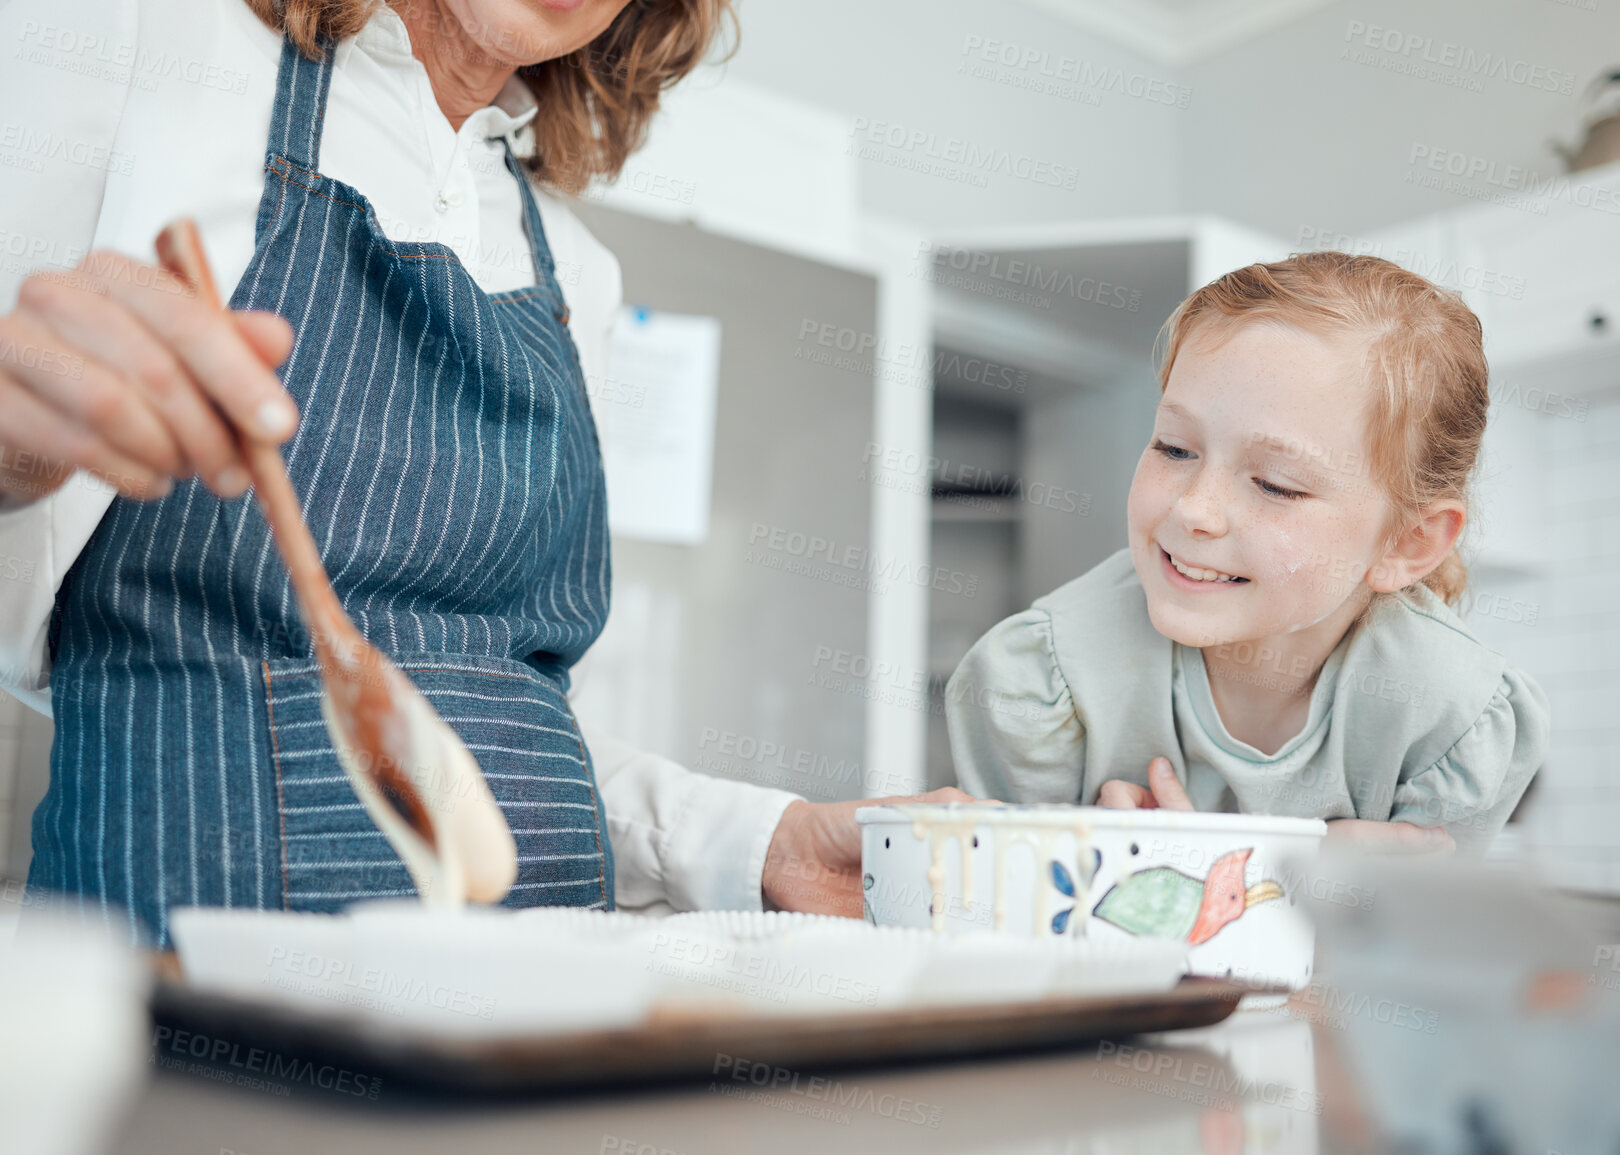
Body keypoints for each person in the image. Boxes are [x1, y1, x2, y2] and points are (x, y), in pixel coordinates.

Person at [0, 0, 958, 947]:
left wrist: (763, 844)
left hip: (546, 1018)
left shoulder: (579, 271)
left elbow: (494, 716)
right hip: (193, 1028)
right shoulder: (130, 44)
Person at [945, 252, 1549, 854]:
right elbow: (1002, 926)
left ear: (1407, 542)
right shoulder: (1045, 682)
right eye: (1174, 448)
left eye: (1275, 484)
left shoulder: (1451, 717)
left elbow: (1409, 946)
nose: (1192, 510)